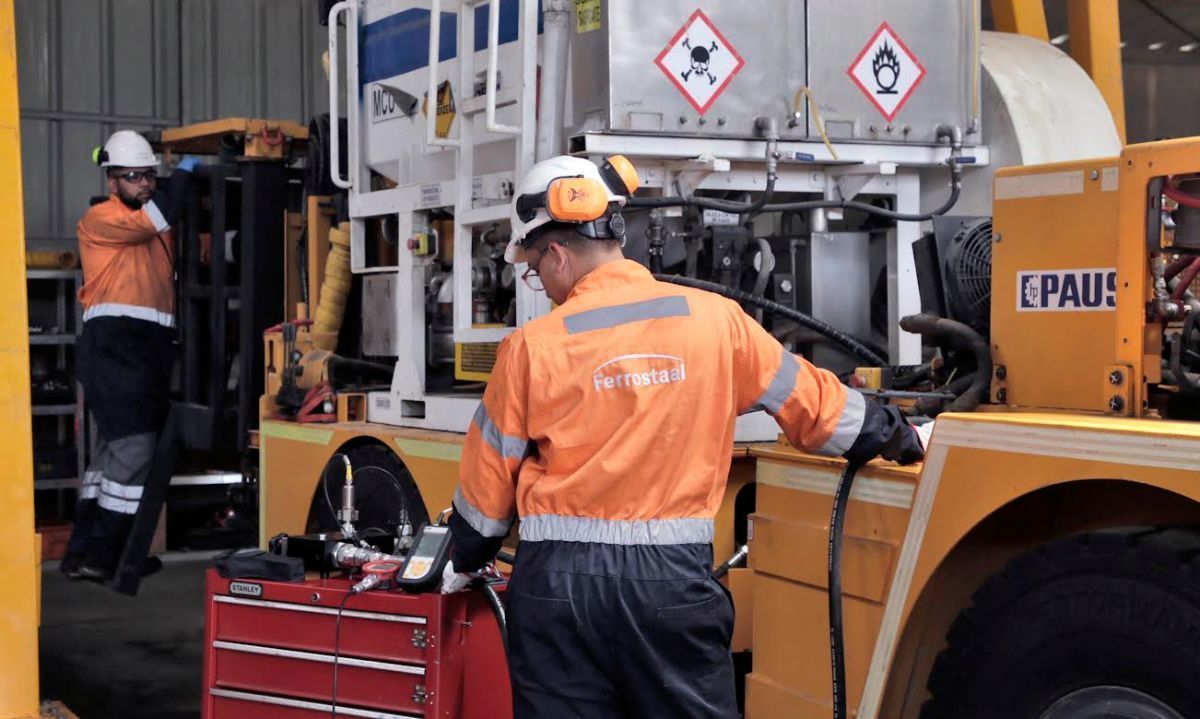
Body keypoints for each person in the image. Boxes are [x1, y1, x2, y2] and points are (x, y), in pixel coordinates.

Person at [442, 154, 925, 717]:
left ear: (556, 254)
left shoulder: (531, 348)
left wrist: (461, 558)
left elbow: (484, 497)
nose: (541, 284)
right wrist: (902, 436)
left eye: (534, 269)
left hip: (559, 593)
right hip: (671, 589)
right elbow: (820, 412)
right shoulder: (718, 322)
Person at [61, 131, 198, 583]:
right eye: (134, 177)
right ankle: (107, 556)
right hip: (117, 348)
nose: (145, 184)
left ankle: (87, 553)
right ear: (113, 179)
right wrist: (184, 172)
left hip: (142, 350)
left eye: (149, 176)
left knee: (109, 457)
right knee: (134, 450)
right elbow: (157, 217)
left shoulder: (157, 234)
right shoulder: (103, 218)